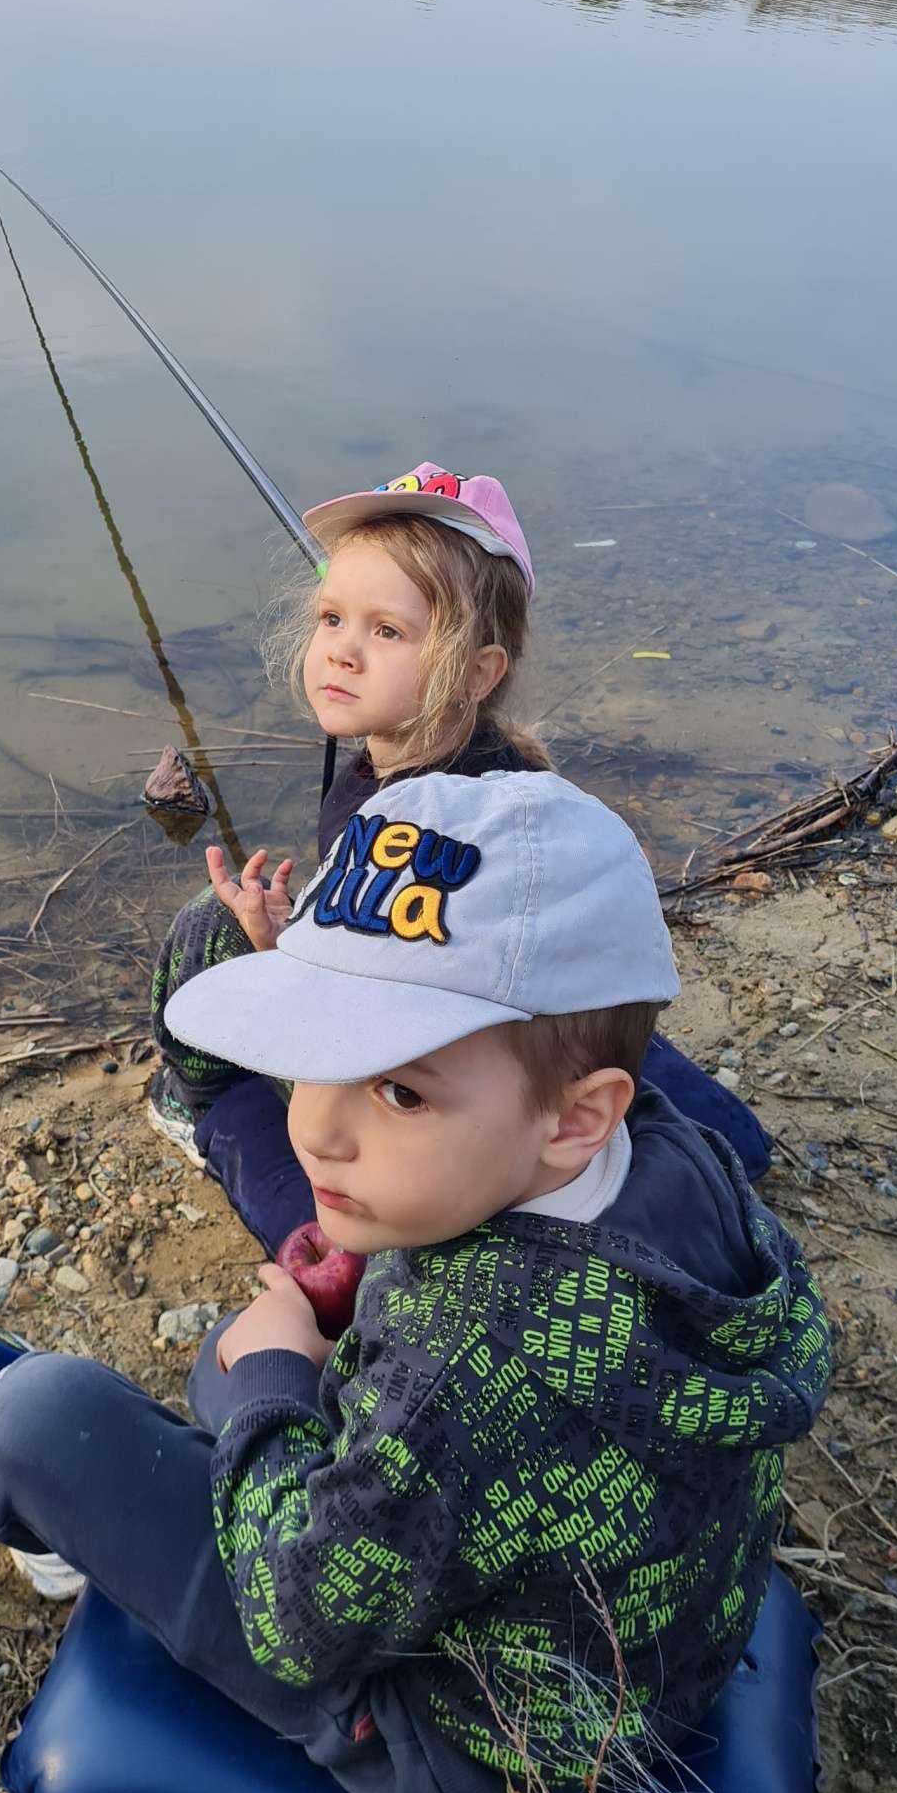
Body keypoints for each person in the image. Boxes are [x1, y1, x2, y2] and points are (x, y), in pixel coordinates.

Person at [0, 769, 831, 1793]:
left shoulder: (462, 1375)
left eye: (399, 1089)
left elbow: (298, 1620)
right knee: (246, 1355)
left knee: (40, 1422)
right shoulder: (682, 1163)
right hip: (648, 1656)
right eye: (320, 1056)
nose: (312, 1127)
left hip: (475, 1741)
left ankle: (43, 1533)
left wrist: (273, 1385)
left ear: (576, 1117)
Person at [147, 461, 769, 1249]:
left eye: (387, 631)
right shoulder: (475, 773)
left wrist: (282, 949)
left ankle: (196, 1101)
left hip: (471, 1074)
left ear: (477, 671)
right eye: (331, 617)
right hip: (521, 1037)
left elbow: (406, 1006)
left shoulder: (430, 818)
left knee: (207, 930)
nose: (341, 652)